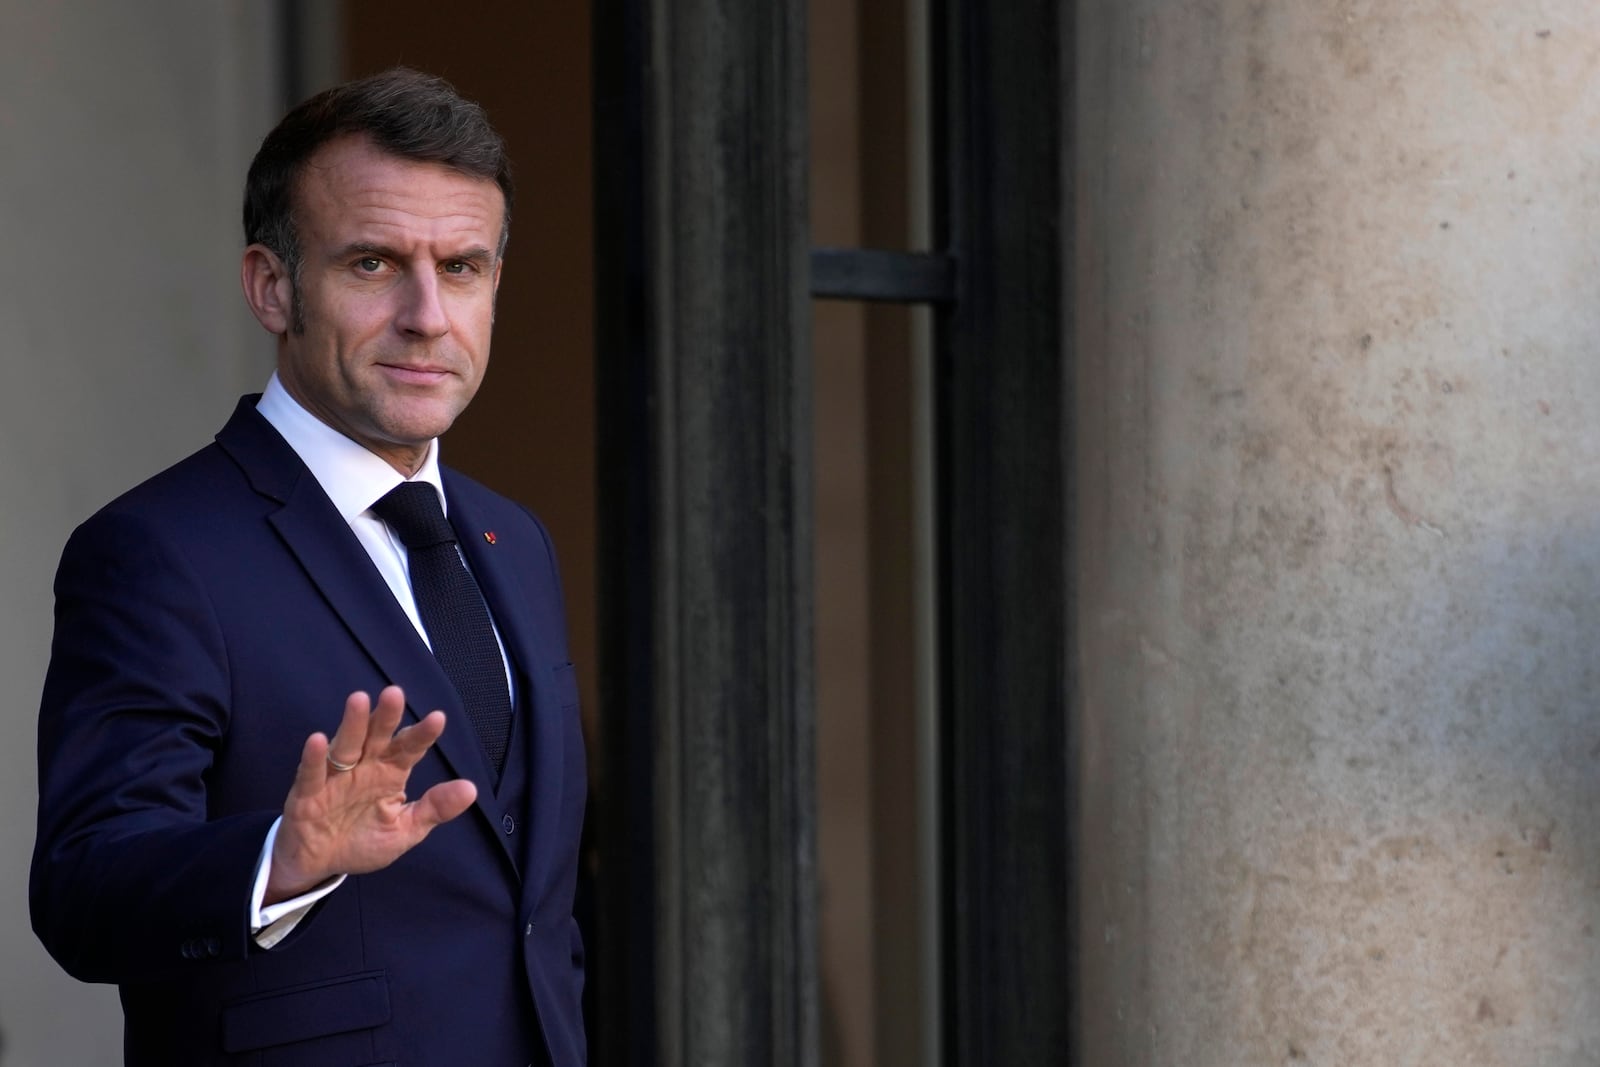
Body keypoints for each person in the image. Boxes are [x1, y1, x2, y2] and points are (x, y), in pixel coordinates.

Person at [30, 68, 587, 1066]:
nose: (428, 314)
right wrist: (277, 863)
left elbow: (529, 909)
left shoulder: (516, 539)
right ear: (272, 285)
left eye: (462, 267)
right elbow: (83, 887)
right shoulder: (159, 551)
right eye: (373, 263)